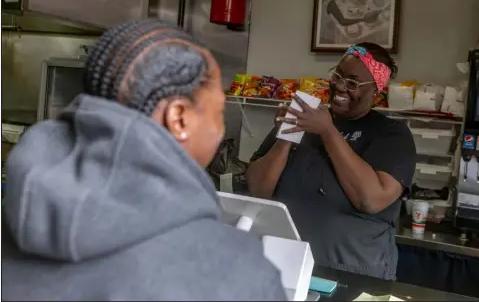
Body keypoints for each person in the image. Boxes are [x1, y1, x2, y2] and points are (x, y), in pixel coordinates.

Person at [2, 19, 287, 301]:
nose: (220, 127)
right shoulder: (239, 273)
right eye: (219, 110)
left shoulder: (12, 218)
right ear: (179, 118)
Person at [246, 42, 416, 281]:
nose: (339, 86)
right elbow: (258, 190)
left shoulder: (391, 134)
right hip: (286, 267)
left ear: (376, 91)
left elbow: (371, 199)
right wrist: (287, 135)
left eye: (353, 83)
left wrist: (328, 132)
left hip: (352, 274)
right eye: (337, 75)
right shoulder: (307, 118)